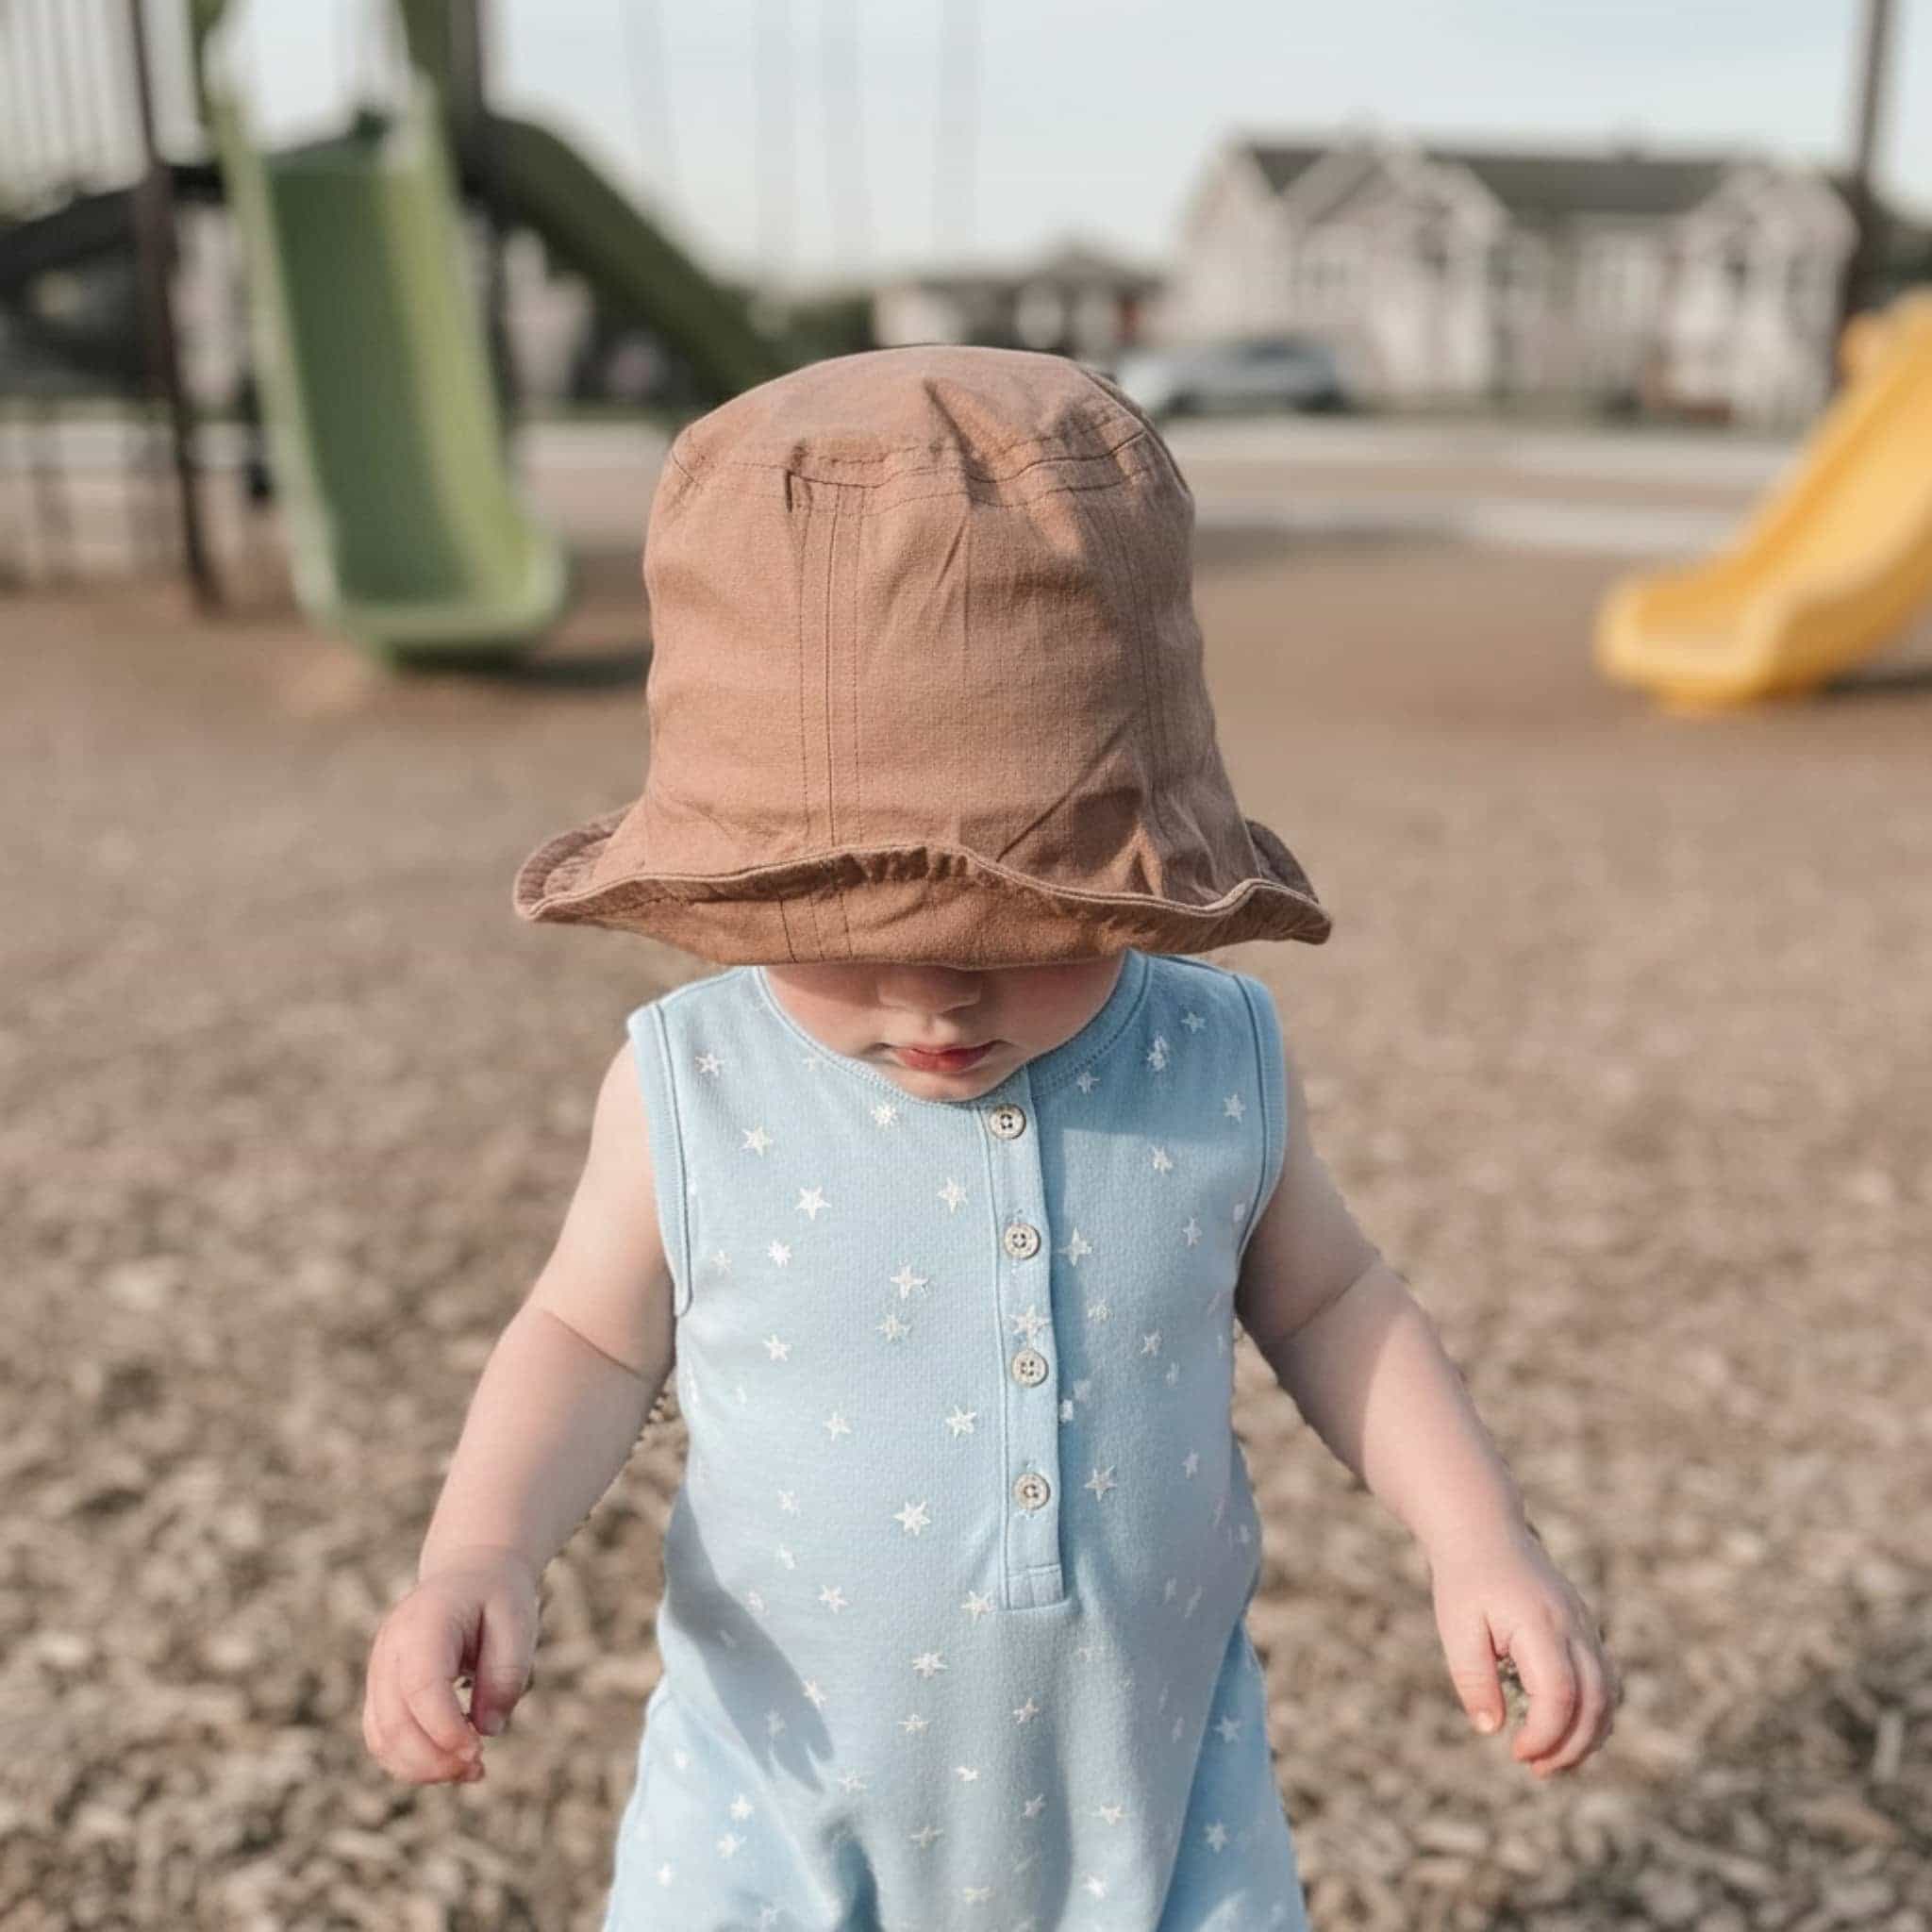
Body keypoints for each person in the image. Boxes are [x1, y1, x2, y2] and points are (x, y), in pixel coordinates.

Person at [361, 345, 1621, 1930]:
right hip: (788, 1801)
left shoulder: (1210, 1054)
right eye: (845, 926)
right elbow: (587, 1340)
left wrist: (1476, 1540)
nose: (933, 990)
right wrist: (481, 1553)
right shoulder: (697, 1084)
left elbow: (1332, 1302)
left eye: (1025, 927)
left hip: (1151, 1792)